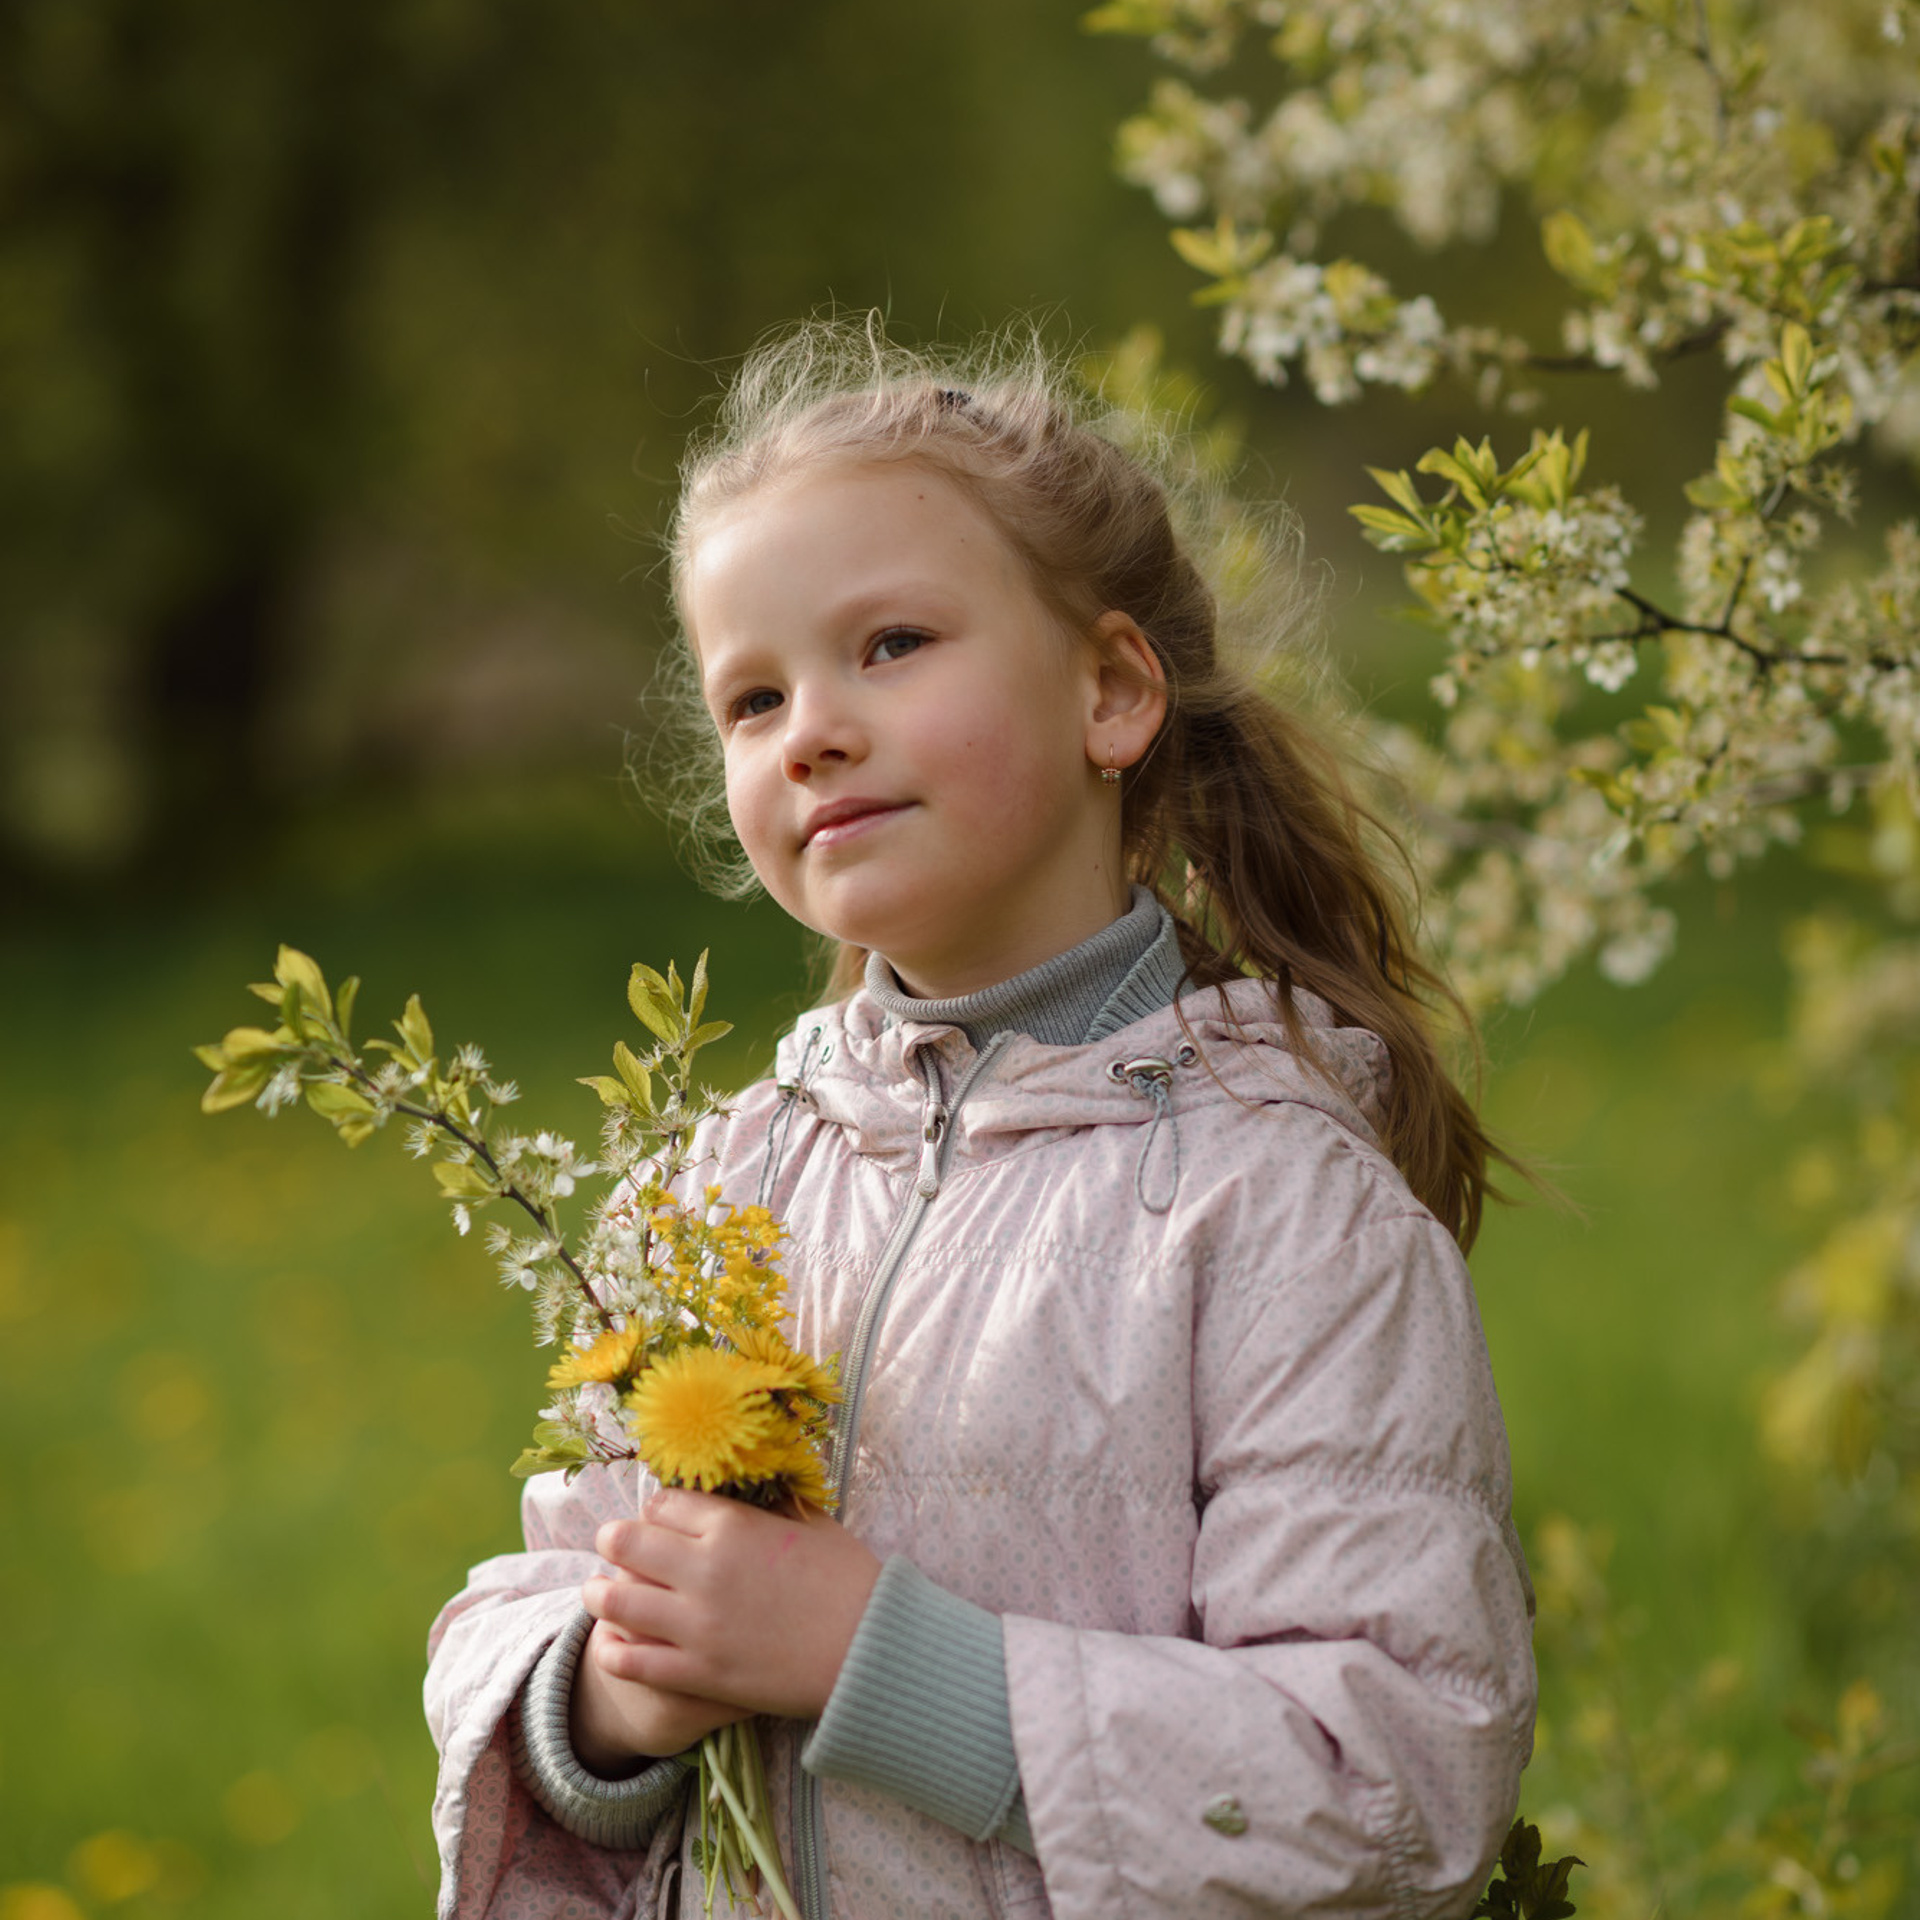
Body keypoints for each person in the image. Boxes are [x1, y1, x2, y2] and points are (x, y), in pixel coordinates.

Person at [425, 320, 1537, 1920]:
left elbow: (1399, 1778)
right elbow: (550, 1582)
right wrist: (602, 1698)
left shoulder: (1284, 1214)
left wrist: (881, 1665)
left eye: (889, 646)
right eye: (752, 698)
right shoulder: (717, 1186)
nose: (809, 727)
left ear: (1109, 688)